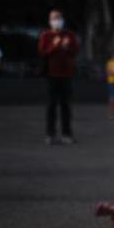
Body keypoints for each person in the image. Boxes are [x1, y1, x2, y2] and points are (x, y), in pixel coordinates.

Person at [37, 9, 79, 144]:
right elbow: (42, 53)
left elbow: (75, 51)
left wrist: (67, 47)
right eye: (54, 18)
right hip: (51, 75)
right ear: (49, 21)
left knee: (66, 105)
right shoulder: (46, 35)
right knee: (51, 105)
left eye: (59, 17)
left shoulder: (70, 35)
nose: (57, 20)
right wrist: (54, 46)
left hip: (67, 75)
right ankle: (50, 134)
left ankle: (67, 134)